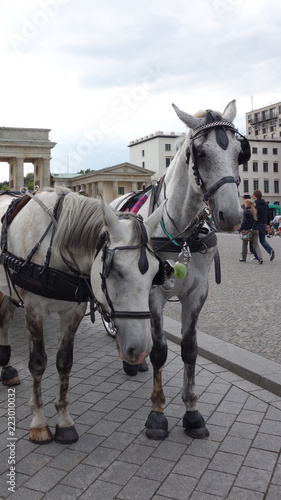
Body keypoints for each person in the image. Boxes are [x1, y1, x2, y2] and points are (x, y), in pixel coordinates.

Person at [252, 190, 274, 262]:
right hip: (263, 224)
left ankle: (256, 256)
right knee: (262, 240)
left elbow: (254, 214)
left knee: (254, 241)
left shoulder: (255, 204)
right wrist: (268, 224)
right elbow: (268, 214)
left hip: (257, 223)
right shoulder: (265, 203)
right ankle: (270, 250)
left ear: (255, 196)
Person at [239, 199, 263, 264]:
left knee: (244, 244)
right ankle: (260, 258)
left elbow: (244, 222)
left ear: (247, 204)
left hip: (248, 231)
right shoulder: (254, 211)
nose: (244, 204)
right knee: (256, 244)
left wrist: (241, 229)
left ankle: (243, 258)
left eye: (245, 203)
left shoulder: (246, 212)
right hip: (255, 230)